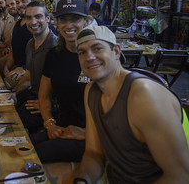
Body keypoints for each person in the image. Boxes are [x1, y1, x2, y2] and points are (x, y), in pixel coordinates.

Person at [74, 25, 189, 184]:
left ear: (116, 51)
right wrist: (83, 181)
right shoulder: (91, 91)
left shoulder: (144, 96)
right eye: (82, 52)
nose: (89, 57)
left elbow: (181, 177)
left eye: (97, 48)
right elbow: (93, 152)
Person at [31, 0, 91, 163]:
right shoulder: (54, 55)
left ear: (86, 22)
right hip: (62, 127)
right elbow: (44, 96)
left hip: (94, 138)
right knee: (24, 144)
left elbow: (119, 111)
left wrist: (86, 133)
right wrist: (49, 124)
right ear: (56, 23)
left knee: (33, 156)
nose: (68, 25)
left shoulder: (95, 57)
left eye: (75, 19)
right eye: (63, 19)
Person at [12, 1, 58, 134]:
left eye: (38, 16)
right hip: (32, 96)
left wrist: (49, 105)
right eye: (29, 17)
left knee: (11, 122)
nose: (33, 22)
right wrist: (14, 93)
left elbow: (66, 88)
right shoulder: (30, 44)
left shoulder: (56, 48)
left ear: (48, 19)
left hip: (49, 107)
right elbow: (28, 77)